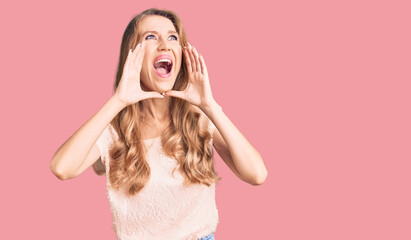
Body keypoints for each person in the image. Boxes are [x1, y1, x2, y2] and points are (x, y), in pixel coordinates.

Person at [50, 8, 267, 240]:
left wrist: (210, 106)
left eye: (172, 37)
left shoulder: (199, 119)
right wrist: (118, 101)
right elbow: (62, 168)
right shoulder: (115, 130)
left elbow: (257, 174)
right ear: (132, 56)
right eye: (151, 37)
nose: (164, 45)